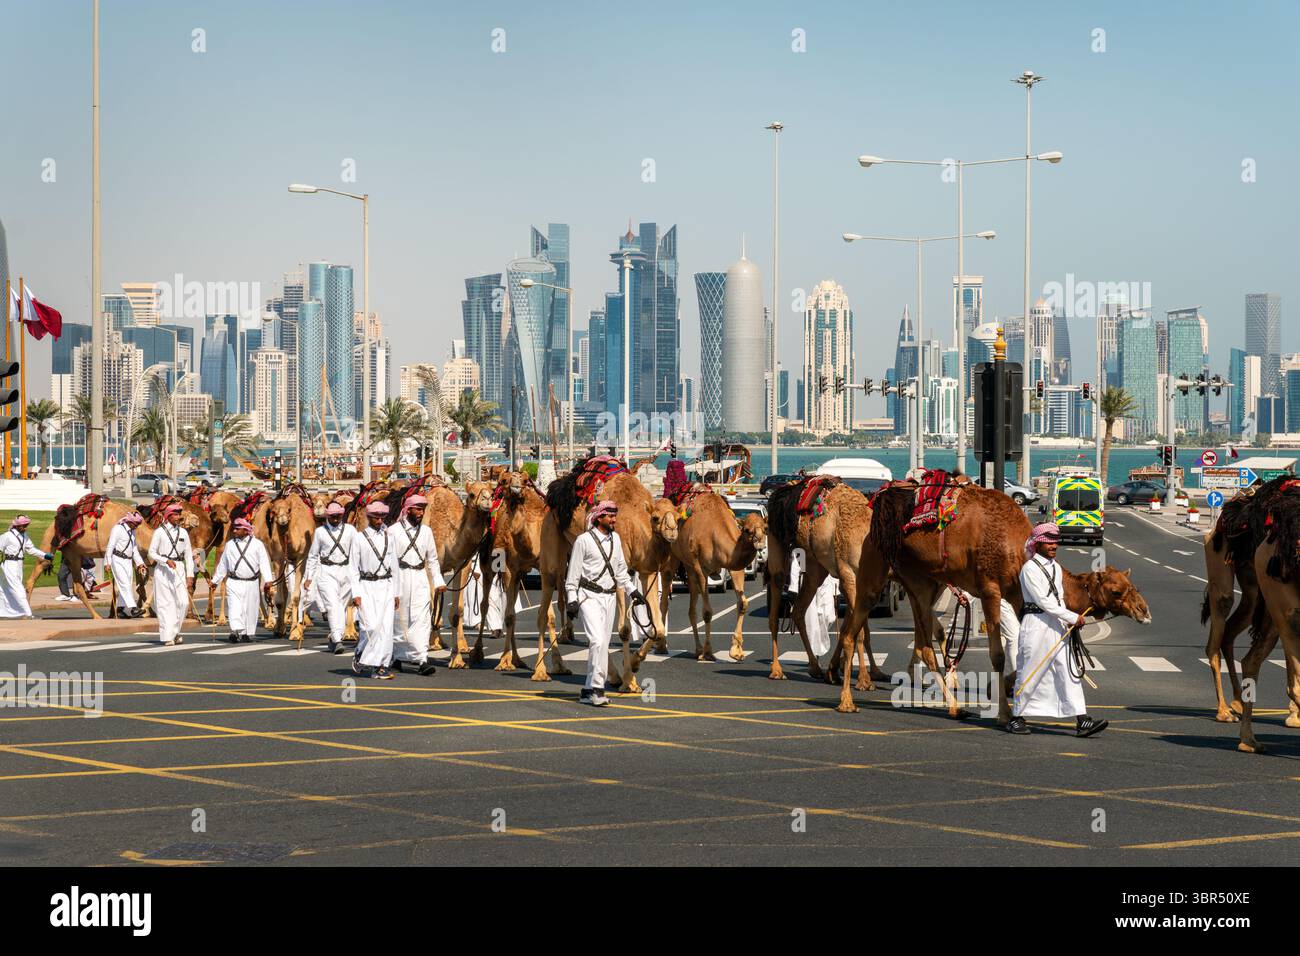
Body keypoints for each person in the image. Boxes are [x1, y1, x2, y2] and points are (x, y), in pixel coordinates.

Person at [1008, 523, 1107, 737]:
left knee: (1067, 670)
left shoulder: (1055, 567)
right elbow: (1044, 601)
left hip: (1056, 624)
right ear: (1037, 543)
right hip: (1036, 625)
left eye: (1055, 541)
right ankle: (1016, 717)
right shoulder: (1030, 569)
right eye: (1048, 541)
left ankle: (1082, 719)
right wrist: (1072, 616)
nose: (1054, 545)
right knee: (1030, 671)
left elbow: (1059, 599)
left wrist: (1067, 621)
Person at [564, 500, 644, 706]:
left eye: (615, 515)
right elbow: (572, 575)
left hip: (609, 598)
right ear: (600, 517)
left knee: (602, 645)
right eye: (610, 516)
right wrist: (572, 601)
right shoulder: (583, 541)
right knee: (597, 641)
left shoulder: (616, 539)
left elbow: (620, 571)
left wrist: (633, 591)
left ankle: (588, 689)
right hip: (588, 596)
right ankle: (597, 689)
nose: (614, 519)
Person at [390, 495, 445, 676]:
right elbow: (389, 561)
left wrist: (438, 582)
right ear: (408, 510)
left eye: (423, 509)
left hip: (420, 578)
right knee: (400, 620)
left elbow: (433, 560)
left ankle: (422, 660)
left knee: (422, 620)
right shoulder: (393, 531)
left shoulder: (427, 532)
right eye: (418, 509)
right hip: (401, 577)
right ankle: (397, 657)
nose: (421, 513)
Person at [348, 501, 401, 679]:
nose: (379, 521)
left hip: (386, 586)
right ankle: (361, 652)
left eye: (382, 517)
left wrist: (396, 593)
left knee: (386, 629)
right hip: (366, 586)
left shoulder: (389, 537)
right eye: (376, 517)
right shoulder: (359, 538)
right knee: (369, 626)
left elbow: (394, 566)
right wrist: (356, 593)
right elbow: (353, 568)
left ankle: (381, 666)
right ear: (368, 518)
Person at [303, 501, 356, 654]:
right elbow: (313, 556)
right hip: (326, 571)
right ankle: (338, 640)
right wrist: (309, 577)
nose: (335, 519)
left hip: (346, 571)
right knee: (332, 605)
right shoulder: (320, 532)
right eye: (332, 516)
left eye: (338, 516)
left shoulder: (350, 530)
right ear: (328, 516)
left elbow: (356, 553)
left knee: (341, 606)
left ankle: (333, 637)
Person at [210, 518, 273, 643]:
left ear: (246, 530)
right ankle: (235, 631)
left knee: (250, 609)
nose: (234, 531)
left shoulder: (257, 544)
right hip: (234, 582)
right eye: (234, 528)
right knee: (235, 607)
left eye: (237, 529)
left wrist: (268, 580)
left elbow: (264, 563)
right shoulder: (230, 545)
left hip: (252, 583)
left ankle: (246, 634)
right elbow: (223, 565)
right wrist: (215, 581)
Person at [147, 503, 195, 645]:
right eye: (175, 514)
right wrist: (165, 560)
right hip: (163, 570)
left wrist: (190, 575)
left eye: (179, 514)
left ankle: (175, 632)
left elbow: (188, 555)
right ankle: (168, 636)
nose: (178, 517)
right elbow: (152, 552)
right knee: (165, 604)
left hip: (179, 568)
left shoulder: (184, 533)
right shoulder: (159, 532)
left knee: (183, 602)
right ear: (168, 516)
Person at [0, 516, 53, 619]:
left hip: (19, 565)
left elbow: (31, 549)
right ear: (17, 525)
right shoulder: (7, 536)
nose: (26, 528)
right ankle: (28, 614)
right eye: (24, 526)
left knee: (5, 589)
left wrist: (44, 555)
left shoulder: (24, 536)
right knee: (19, 590)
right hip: (9, 565)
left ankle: (4, 612)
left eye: (26, 526)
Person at [106, 511, 147, 617]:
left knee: (127, 585)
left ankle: (120, 609)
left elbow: (134, 549)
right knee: (124, 583)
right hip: (117, 559)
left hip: (128, 561)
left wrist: (140, 563)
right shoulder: (118, 529)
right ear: (129, 521)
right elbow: (110, 546)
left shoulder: (132, 532)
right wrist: (107, 562)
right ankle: (133, 608)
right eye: (136, 524)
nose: (137, 526)